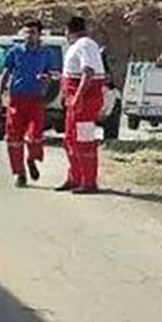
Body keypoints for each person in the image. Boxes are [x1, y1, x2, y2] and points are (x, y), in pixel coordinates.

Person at [0, 19, 60, 188]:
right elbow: (6, 73)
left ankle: (31, 159)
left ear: (39, 34)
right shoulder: (15, 52)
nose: (28, 36)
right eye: (26, 32)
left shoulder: (46, 54)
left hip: (36, 100)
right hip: (16, 99)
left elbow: (54, 75)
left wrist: (47, 78)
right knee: (14, 138)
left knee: (35, 135)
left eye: (32, 32)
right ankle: (20, 173)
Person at [58, 16, 106, 194]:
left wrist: (78, 97)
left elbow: (88, 72)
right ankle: (75, 178)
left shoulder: (86, 44)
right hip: (75, 104)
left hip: (85, 103)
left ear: (68, 31)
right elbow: (74, 74)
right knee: (70, 140)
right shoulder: (76, 47)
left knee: (84, 142)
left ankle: (89, 182)